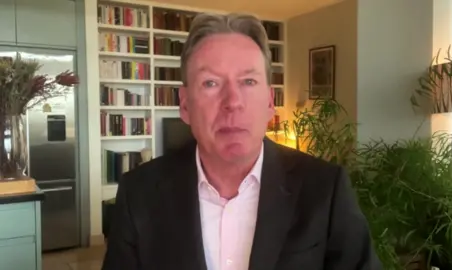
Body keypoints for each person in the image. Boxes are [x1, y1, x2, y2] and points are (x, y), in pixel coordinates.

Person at [102, 12, 382, 270]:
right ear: (185, 105)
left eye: (248, 82)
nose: (233, 102)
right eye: (211, 83)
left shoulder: (325, 189)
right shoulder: (139, 194)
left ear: (270, 102)